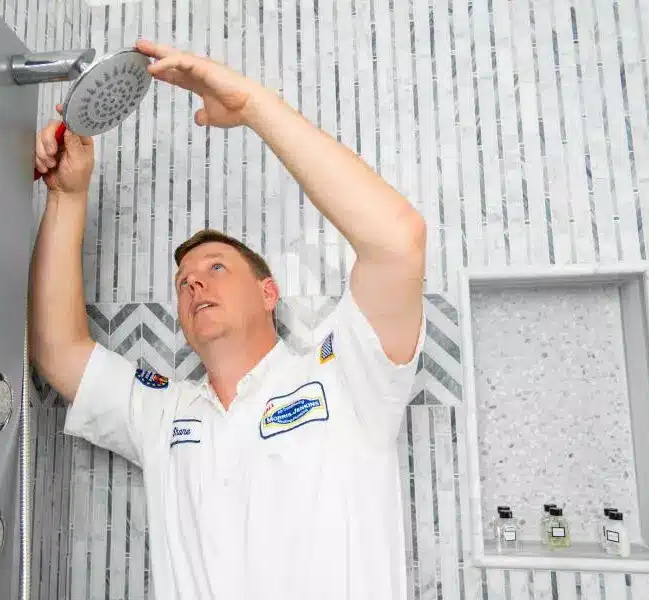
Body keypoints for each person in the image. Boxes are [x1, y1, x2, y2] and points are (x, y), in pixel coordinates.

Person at [29, 38, 427, 600]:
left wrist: (252, 106)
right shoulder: (164, 411)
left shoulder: (343, 378)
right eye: (183, 281)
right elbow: (61, 354)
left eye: (216, 268)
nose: (194, 283)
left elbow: (399, 242)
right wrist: (67, 198)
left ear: (269, 292)